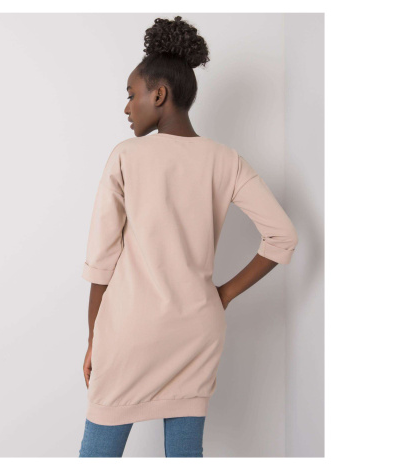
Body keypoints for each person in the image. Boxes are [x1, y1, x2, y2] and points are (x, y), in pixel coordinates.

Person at [79, 16, 298, 458]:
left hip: (129, 332)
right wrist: (223, 296)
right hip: (196, 333)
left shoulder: (126, 156)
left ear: (159, 95)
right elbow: (283, 236)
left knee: (97, 455)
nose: (127, 107)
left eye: (131, 94)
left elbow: (102, 261)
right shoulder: (226, 160)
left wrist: (93, 339)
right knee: (185, 456)